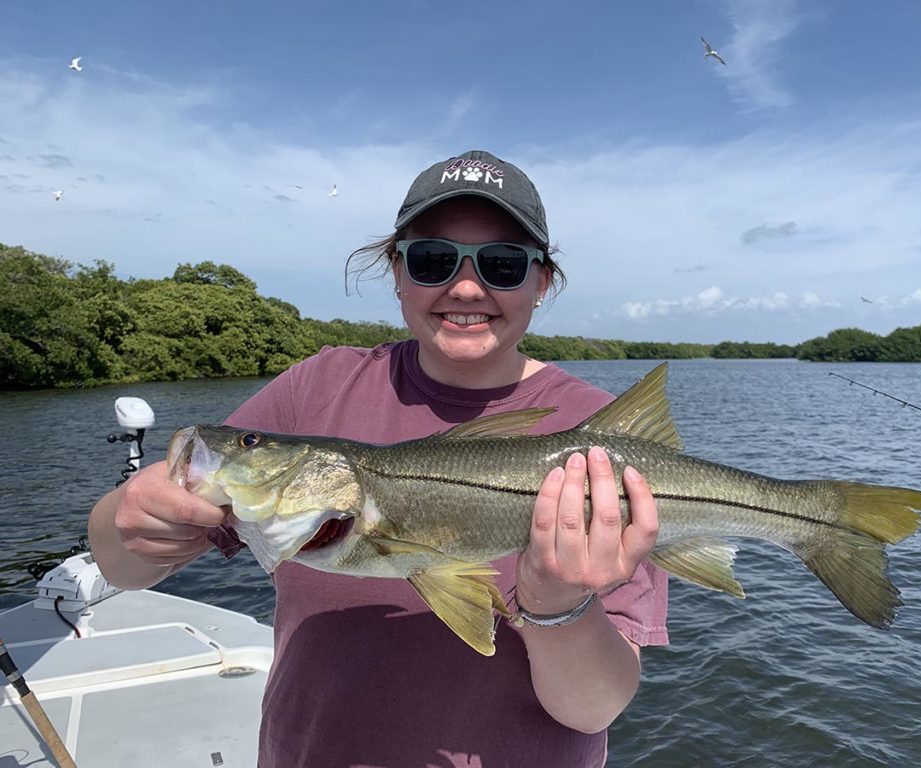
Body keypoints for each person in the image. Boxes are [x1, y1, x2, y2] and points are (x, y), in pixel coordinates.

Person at [87, 149, 669, 768]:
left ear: (541, 281)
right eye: (432, 259)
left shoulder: (601, 447)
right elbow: (122, 568)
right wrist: (130, 516)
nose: (466, 287)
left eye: (502, 264)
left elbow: (596, 708)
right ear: (396, 271)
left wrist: (559, 606)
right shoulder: (314, 389)